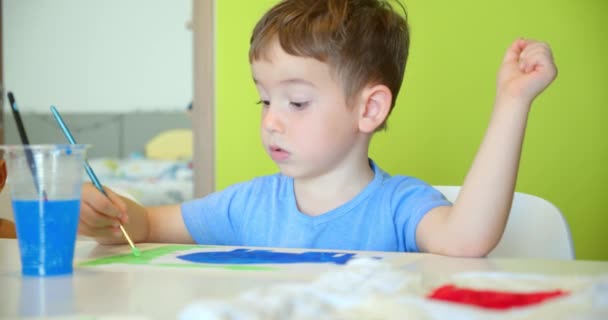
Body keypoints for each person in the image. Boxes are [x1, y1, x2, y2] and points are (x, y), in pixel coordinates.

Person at [78, 0, 557, 257]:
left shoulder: (400, 206)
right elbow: (151, 225)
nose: (271, 119)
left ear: (368, 109)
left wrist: (512, 101)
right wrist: (116, 218)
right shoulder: (249, 206)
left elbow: (466, 240)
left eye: (298, 101)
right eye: (264, 99)